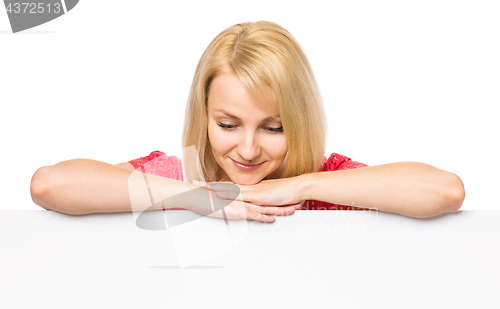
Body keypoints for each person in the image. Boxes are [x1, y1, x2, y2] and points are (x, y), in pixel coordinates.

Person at [30, 21, 465, 221]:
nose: (249, 149)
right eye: (227, 124)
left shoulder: (327, 182)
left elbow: (444, 191)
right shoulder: (175, 176)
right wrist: (196, 198)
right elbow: (50, 186)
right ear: (203, 114)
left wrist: (300, 185)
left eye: (274, 128)